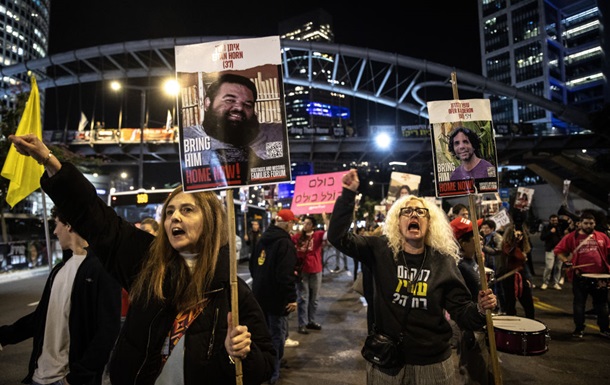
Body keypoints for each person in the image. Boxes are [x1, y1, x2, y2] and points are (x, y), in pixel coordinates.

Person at [8, 134, 276, 385]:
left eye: (187, 210)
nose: (175, 218)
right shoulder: (147, 263)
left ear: (211, 220)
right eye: (169, 212)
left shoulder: (232, 290)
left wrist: (239, 352)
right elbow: (97, 218)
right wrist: (49, 161)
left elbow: (265, 365)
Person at [327, 169, 496, 384]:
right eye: (406, 212)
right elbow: (337, 237)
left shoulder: (443, 261)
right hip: (386, 362)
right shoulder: (380, 250)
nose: (414, 215)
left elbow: (462, 312)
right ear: (397, 222)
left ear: (430, 222)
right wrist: (348, 194)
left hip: (432, 365)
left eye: (420, 212)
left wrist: (480, 308)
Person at [0, 205, 122, 385]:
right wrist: (4, 335)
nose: (55, 231)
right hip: (38, 376)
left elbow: (107, 331)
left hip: (66, 379)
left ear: (69, 226)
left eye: (57, 224)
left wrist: (77, 377)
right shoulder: (59, 270)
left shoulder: (102, 270)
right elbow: (40, 318)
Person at [182, 73, 284, 186]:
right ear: (207, 103)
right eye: (229, 100)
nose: (240, 108)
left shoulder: (276, 135)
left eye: (247, 104)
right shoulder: (187, 138)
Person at [250, 209, 298, 385]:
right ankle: (273, 373)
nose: (293, 225)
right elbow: (285, 275)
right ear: (285, 223)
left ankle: (267, 365)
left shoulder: (263, 239)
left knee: (264, 334)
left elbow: (252, 267)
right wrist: (291, 297)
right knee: (278, 335)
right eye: (292, 222)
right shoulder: (285, 243)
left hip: (260, 295)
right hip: (277, 298)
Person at [450, 216, 494, 385]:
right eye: (475, 235)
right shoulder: (460, 266)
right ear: (462, 242)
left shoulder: (470, 260)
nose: (481, 238)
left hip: (479, 327)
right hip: (472, 331)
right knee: (474, 376)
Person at [554, 212, 610, 339]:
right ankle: (579, 329)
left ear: (595, 223)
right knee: (579, 304)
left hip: (600, 277)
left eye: (591, 223)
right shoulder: (572, 237)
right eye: (586, 223)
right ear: (580, 224)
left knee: (602, 304)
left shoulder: (602, 236)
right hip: (581, 277)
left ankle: (604, 329)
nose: (589, 225)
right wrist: (567, 262)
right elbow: (558, 251)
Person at [292, 215, 327, 334]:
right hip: (302, 272)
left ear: (313, 226)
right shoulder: (297, 237)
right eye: (304, 223)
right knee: (303, 298)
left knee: (314, 299)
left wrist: (325, 217)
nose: (305, 225)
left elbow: (330, 233)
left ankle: (311, 321)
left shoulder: (318, 235)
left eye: (308, 223)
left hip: (316, 271)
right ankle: (302, 324)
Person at [498, 224, 535, 319]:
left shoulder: (521, 245)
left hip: (520, 276)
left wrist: (526, 278)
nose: (520, 237)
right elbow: (512, 253)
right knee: (510, 303)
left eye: (522, 235)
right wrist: (515, 240)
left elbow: (522, 262)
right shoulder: (507, 245)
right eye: (518, 234)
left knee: (528, 303)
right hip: (509, 277)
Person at [480, 219, 504, 312]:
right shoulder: (484, 237)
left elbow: (498, 250)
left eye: (486, 228)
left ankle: (501, 308)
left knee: (498, 288)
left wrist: (484, 247)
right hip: (487, 265)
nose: (484, 230)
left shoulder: (497, 237)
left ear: (492, 228)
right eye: (483, 227)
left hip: (496, 265)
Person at [539, 214, 564, 290]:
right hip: (550, 249)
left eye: (556, 220)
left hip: (560, 250)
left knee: (558, 267)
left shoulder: (560, 227)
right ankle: (545, 282)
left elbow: (563, 236)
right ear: (550, 220)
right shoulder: (546, 227)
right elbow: (542, 238)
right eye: (553, 220)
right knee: (549, 267)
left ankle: (555, 283)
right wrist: (550, 232)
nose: (554, 222)